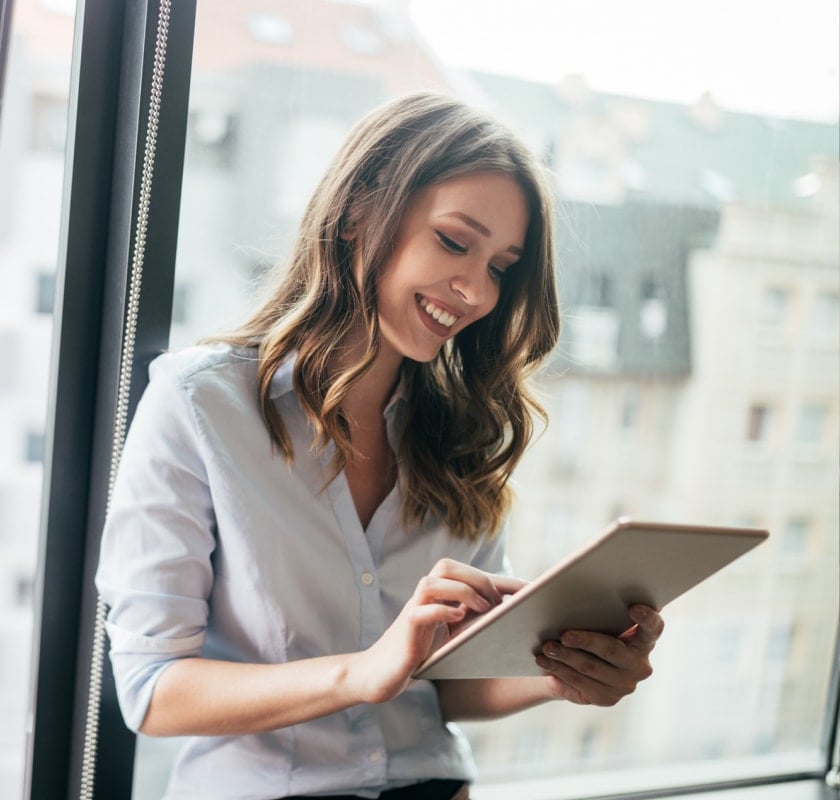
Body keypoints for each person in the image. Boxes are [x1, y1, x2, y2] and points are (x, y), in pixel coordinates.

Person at [96, 92, 664, 800]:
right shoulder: (199, 404)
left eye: (500, 266)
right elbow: (152, 690)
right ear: (361, 212)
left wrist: (560, 677)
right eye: (456, 242)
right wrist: (362, 670)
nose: (475, 290)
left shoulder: (465, 437)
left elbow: (448, 688)